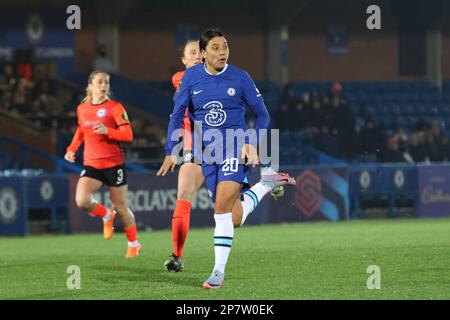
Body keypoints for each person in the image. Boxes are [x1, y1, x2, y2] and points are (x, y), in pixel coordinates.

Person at [161, 29, 295, 289]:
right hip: (206, 153)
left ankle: (217, 274)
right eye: (215, 47)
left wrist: (250, 143)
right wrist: (170, 150)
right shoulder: (190, 78)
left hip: (235, 147)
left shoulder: (240, 77)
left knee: (220, 210)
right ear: (203, 53)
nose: (222, 52)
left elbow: (263, 116)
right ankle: (267, 183)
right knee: (233, 217)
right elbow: (176, 117)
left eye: (225, 47)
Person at [64, 70, 141, 259]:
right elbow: (81, 130)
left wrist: (108, 131)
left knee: (121, 207)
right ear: (90, 86)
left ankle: (134, 244)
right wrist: (71, 148)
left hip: (114, 165)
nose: (104, 86)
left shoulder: (115, 107)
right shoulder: (82, 108)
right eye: (99, 82)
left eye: (106, 82)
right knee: (82, 200)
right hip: (92, 165)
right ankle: (107, 215)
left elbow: (128, 135)